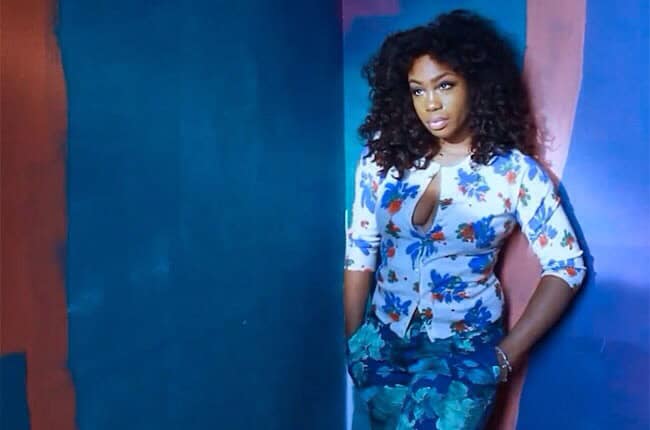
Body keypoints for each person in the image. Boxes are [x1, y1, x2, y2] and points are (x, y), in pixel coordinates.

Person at [343, 9, 586, 430]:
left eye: (445, 85)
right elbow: (361, 248)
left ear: (476, 84)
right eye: (418, 90)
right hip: (381, 344)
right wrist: (354, 340)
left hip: (463, 351)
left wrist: (504, 357)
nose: (431, 104)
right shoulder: (382, 158)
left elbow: (566, 266)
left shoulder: (514, 173)